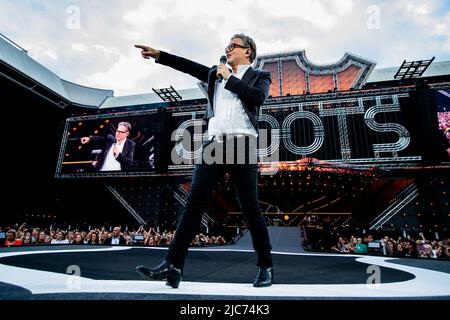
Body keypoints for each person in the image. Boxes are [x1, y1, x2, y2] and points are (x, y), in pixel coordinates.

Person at [134, 33, 273, 288]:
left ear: (248, 52)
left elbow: (257, 99)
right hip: (214, 144)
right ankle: (173, 264)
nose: (228, 49)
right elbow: (188, 66)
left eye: (234, 46)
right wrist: (160, 55)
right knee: (194, 201)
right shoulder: (214, 74)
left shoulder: (259, 76)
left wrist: (230, 78)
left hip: (243, 144)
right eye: (227, 46)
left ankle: (265, 267)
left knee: (250, 208)